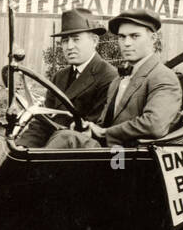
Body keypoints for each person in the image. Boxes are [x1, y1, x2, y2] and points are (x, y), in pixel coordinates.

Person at [46, 8, 181, 148]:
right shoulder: (119, 80)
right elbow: (104, 123)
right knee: (64, 135)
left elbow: (155, 124)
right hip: (112, 153)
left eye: (135, 36)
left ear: (153, 38)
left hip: (128, 159)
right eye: (122, 37)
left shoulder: (163, 76)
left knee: (67, 137)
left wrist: (104, 132)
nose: (127, 43)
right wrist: (90, 128)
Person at [17, 8, 116, 147]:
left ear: (94, 41)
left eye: (76, 39)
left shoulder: (109, 77)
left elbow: (91, 130)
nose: (69, 46)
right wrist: (22, 147)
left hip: (83, 153)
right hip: (56, 148)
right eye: (65, 40)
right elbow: (44, 121)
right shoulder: (59, 77)